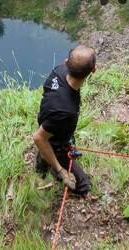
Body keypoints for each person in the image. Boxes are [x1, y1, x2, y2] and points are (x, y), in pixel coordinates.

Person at [32, 45, 97, 196]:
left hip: (47, 120)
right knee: (83, 187)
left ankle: (44, 160)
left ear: (66, 62)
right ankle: (51, 164)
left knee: (50, 135)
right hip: (54, 138)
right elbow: (38, 138)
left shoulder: (59, 70)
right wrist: (62, 172)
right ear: (94, 69)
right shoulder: (66, 112)